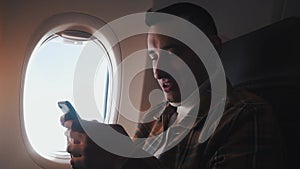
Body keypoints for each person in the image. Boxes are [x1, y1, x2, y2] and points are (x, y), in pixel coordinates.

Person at [61, 2, 286, 169]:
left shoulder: (245, 115)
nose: (158, 71)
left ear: (212, 48)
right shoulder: (157, 115)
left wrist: (124, 159)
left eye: (173, 53)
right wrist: (105, 151)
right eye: (153, 57)